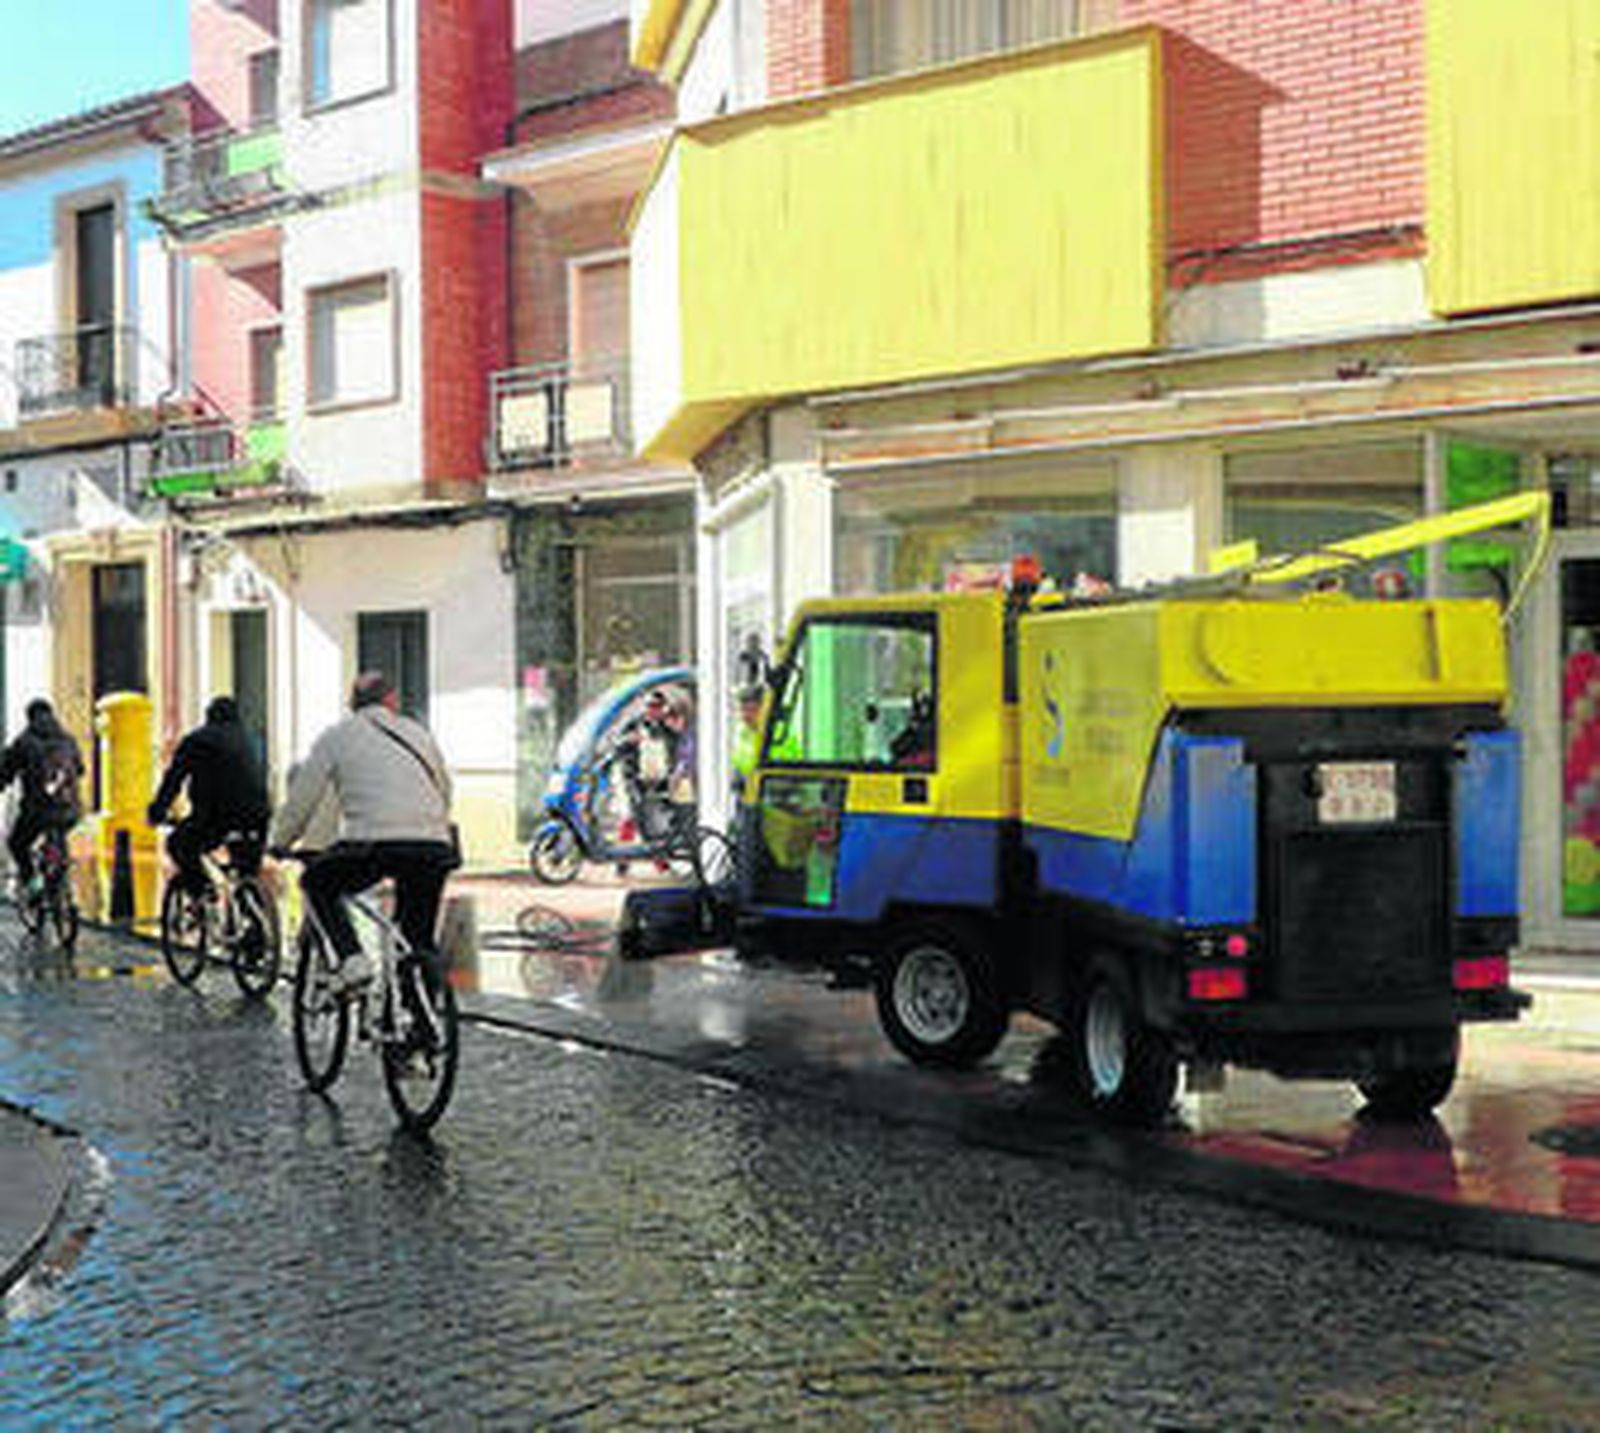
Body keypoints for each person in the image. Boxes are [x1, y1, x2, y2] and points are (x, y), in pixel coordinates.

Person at [268, 671, 455, 990]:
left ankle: (352, 959)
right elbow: (445, 790)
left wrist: (280, 842)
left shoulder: (336, 736)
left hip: (372, 844)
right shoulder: (418, 734)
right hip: (433, 846)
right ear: (391, 700)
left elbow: (303, 798)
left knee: (317, 882)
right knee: (417, 937)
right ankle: (424, 1021)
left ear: (352, 703)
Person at [147, 696, 270, 893]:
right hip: (258, 818)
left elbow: (173, 780)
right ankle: (252, 904)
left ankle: (202, 889)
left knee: (178, 844)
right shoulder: (251, 740)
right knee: (246, 869)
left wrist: (157, 811)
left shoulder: (196, 741)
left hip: (215, 818)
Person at [0, 698, 83, 895]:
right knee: (59, 830)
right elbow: (80, 769)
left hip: (37, 811)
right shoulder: (69, 740)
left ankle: (33, 885)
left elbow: (6, 771)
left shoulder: (24, 741)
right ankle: (59, 874)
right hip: (70, 809)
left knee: (17, 843)